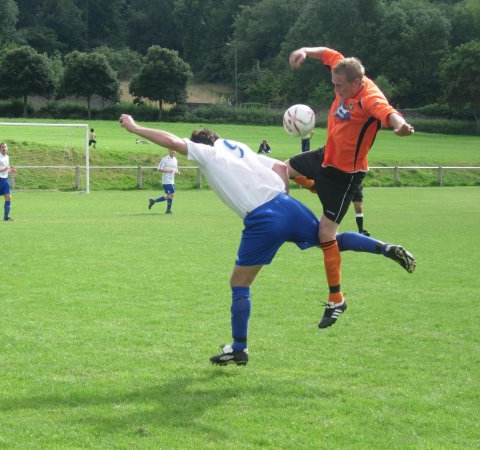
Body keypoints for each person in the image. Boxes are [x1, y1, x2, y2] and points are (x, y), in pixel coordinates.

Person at [119, 114, 416, 366]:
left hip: (262, 219)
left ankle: (239, 348)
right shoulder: (240, 148)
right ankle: (384, 247)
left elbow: (172, 141)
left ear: (199, 144)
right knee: (328, 240)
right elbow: (280, 167)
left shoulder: (208, 152)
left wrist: (134, 128)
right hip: (285, 205)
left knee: (239, 284)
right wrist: (283, 191)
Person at [285, 46, 415, 323]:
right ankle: (316, 188)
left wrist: (400, 126)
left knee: (325, 235)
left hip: (345, 177)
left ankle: (336, 299)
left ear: (356, 82)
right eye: (334, 84)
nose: (336, 89)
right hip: (325, 156)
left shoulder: (369, 97)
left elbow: (388, 113)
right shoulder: (344, 70)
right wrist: (306, 51)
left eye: (340, 86)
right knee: (282, 170)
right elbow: (330, 53)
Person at [148, 148, 180, 214]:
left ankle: (154, 201)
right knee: (171, 194)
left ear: (175, 151)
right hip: (166, 180)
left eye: (173, 150)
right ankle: (168, 210)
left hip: (172, 180)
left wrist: (177, 172)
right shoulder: (164, 159)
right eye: (171, 150)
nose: (172, 151)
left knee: (170, 195)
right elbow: (159, 169)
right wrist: (168, 171)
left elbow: (175, 169)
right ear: (168, 151)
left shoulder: (175, 160)